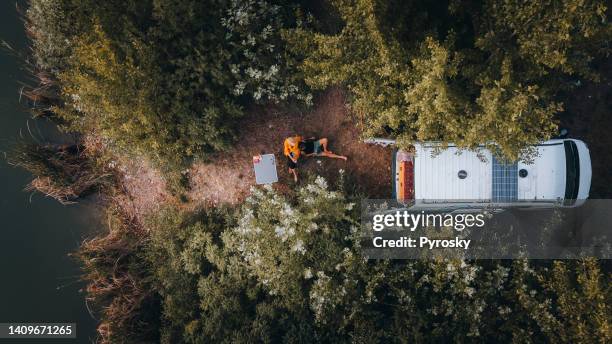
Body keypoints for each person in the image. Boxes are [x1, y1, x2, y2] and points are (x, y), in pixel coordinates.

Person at [283, 135, 347, 182]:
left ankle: (325, 149)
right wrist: (313, 153)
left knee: (325, 139)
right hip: (315, 151)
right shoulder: (300, 151)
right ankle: (341, 157)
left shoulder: (298, 141)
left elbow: (304, 140)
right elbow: (306, 155)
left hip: (315, 144)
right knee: (327, 155)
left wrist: (310, 138)